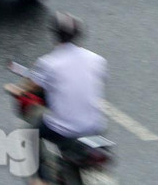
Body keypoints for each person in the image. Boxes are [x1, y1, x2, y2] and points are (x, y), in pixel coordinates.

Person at [24, 13, 107, 185]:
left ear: (54, 34)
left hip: (65, 130)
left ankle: (38, 180)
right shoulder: (97, 60)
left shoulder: (49, 63)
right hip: (95, 127)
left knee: (31, 132)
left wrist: (15, 89)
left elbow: (30, 87)